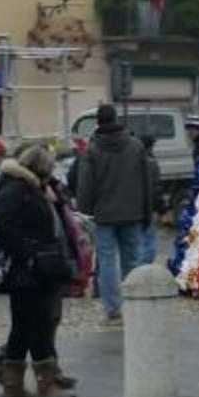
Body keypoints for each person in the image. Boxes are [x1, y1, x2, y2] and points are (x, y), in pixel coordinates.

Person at [0, 145, 76, 397]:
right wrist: (30, 255)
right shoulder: (16, 189)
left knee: (23, 327)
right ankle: (46, 387)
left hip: (33, 269)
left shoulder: (28, 187)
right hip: (28, 270)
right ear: (40, 167)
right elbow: (3, 228)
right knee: (38, 326)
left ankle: (13, 386)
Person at [76, 104, 152, 324]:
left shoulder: (92, 149)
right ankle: (135, 304)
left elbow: (85, 185)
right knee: (133, 260)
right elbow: (145, 181)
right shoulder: (136, 146)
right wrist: (146, 211)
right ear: (116, 118)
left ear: (98, 122)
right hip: (133, 211)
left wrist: (86, 210)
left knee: (107, 262)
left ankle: (113, 310)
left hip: (104, 215)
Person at [139, 135, 162, 265]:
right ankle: (144, 268)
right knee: (150, 242)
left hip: (136, 207)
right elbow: (156, 188)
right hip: (149, 207)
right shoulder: (151, 163)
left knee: (140, 241)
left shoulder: (134, 160)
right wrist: (161, 208)